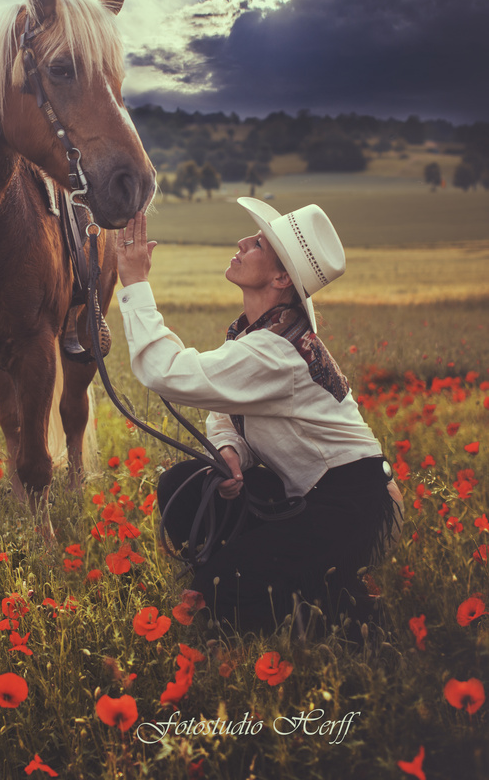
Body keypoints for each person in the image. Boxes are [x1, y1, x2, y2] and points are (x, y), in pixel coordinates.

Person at [115, 199, 404, 635]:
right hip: (318, 496)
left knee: (222, 593)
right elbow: (227, 406)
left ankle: (349, 612)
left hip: (355, 506)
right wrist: (231, 448)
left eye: (257, 243)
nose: (242, 242)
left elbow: (169, 373)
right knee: (184, 485)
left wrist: (134, 281)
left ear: (281, 277)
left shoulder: (274, 350)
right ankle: (280, 579)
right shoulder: (261, 335)